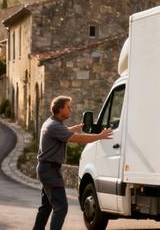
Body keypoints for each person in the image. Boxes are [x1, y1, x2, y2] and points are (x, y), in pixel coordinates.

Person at [34, 96, 111, 230]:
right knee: (61, 207)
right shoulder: (55, 126)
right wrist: (100, 136)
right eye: (68, 107)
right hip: (51, 171)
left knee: (46, 207)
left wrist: (79, 127)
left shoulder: (51, 123)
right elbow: (78, 139)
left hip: (46, 169)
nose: (71, 109)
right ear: (60, 109)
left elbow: (66, 131)